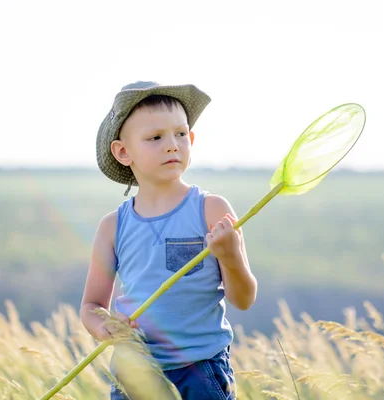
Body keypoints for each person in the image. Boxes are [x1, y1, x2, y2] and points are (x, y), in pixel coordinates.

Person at [80, 81, 257, 399]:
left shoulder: (211, 210)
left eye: (180, 134)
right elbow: (91, 305)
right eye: (155, 137)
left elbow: (243, 299)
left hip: (200, 369)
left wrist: (231, 256)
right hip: (135, 372)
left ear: (191, 139)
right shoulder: (112, 227)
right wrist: (104, 327)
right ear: (123, 152)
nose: (172, 145)